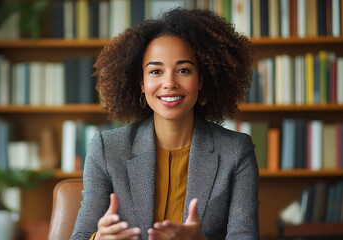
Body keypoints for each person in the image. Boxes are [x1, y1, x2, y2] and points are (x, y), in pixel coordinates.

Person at [70, 8, 259, 240]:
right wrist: (99, 238)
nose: (169, 82)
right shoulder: (107, 149)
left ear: (201, 80)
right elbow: (80, 236)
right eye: (156, 71)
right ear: (141, 83)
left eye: (183, 70)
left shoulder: (236, 151)